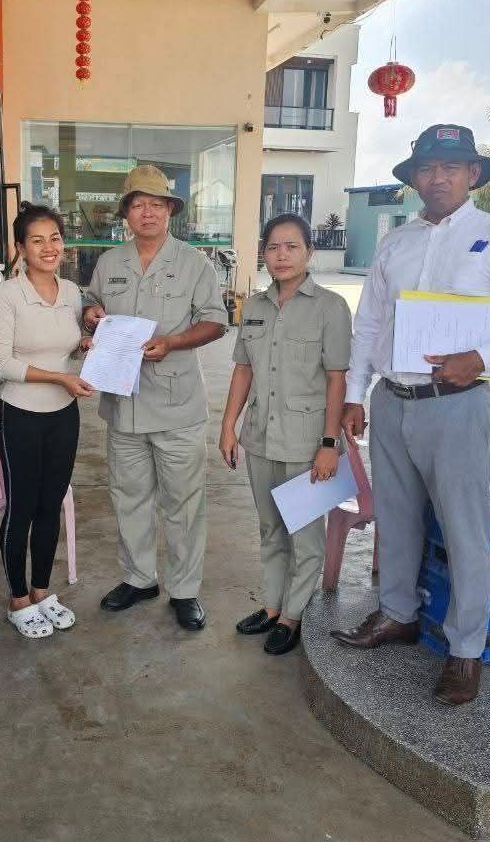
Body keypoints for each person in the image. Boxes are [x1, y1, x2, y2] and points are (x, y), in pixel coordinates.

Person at [332, 124, 490, 705]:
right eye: (428, 169)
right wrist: (356, 393)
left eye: (451, 168)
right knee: (397, 517)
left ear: (472, 175)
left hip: (458, 406)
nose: (438, 178)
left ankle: (466, 650)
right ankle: (398, 615)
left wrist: (482, 358)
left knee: (464, 528)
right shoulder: (396, 244)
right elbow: (370, 323)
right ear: (414, 178)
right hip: (393, 400)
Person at [83, 165, 227, 631]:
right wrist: (90, 313)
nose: (148, 212)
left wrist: (173, 342)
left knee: (183, 503)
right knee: (129, 497)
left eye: (157, 204)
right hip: (123, 404)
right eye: (138, 204)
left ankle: (184, 590)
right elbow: (89, 302)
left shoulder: (194, 263)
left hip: (176, 406)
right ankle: (139, 578)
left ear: (170, 211)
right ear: (126, 213)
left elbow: (216, 321)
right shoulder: (110, 262)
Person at [219, 214, 351, 656]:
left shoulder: (330, 307)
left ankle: (293, 616)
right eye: (273, 247)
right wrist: (228, 426)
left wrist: (329, 444)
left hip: (307, 443)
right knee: (270, 528)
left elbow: (336, 379)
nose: (281, 256)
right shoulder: (255, 307)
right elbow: (243, 370)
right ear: (263, 253)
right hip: (260, 438)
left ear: (309, 252)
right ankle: (273, 606)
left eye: (292, 246)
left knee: (306, 537)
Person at [0, 204, 91, 639]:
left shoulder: (72, 292)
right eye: (37, 240)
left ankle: (42, 592)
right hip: (21, 415)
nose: (49, 248)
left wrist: (85, 346)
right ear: (21, 248)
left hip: (64, 415)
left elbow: (66, 348)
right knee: (22, 508)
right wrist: (59, 378)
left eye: (55, 238)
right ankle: (17, 600)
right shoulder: (8, 295)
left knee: (51, 505)